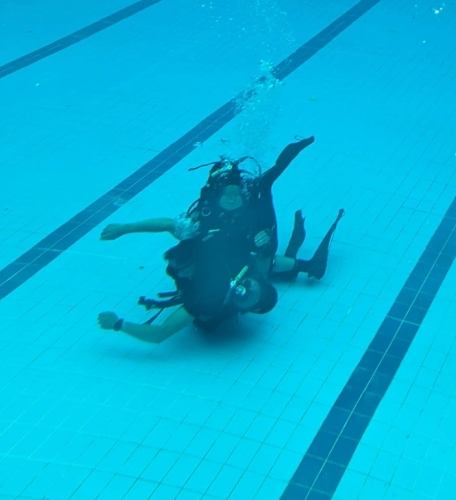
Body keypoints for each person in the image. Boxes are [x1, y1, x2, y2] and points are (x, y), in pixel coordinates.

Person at [101, 136, 343, 282]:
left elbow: (278, 167)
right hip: (228, 248)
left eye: (235, 195)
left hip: (256, 235)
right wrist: (124, 228)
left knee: (263, 259)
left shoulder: (252, 194)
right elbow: (167, 224)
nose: (231, 200)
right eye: (227, 196)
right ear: (217, 196)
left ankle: (302, 266)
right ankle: (293, 266)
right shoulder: (204, 213)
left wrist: (297, 147)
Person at [98, 229, 277, 344]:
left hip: (217, 303)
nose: (171, 272)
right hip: (241, 268)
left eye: (177, 270)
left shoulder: (205, 298)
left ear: (191, 269)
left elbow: (160, 334)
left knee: (206, 322)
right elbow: (167, 224)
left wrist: (118, 324)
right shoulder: (210, 239)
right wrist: (123, 228)